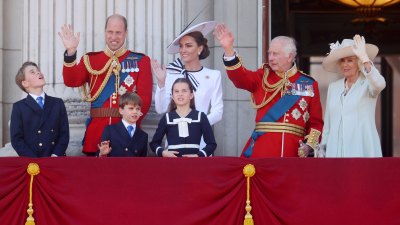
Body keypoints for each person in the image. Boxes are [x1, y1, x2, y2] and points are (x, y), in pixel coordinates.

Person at [214, 24, 323, 158]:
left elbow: (316, 123)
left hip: (293, 152)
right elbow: (240, 78)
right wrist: (229, 50)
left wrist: (308, 146)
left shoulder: (308, 84)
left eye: (275, 54)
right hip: (262, 150)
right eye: (269, 53)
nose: (270, 58)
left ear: (289, 57)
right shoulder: (262, 77)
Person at [58, 14, 153, 156]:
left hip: (127, 136)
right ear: (105, 32)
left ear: (126, 33)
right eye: (110, 32)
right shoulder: (91, 60)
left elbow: (144, 100)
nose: (113, 37)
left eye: (118, 32)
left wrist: (127, 126)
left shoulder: (141, 61)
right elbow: (71, 81)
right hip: (96, 135)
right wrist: (71, 52)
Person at [151, 21, 223, 147]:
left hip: (201, 142)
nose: (183, 50)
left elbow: (218, 112)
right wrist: (161, 83)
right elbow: (160, 109)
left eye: (188, 46)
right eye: (181, 46)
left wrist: (196, 125)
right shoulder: (171, 74)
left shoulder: (213, 76)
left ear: (199, 49)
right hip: (174, 142)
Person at [320, 35, 386, 157]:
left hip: (361, 149)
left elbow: (380, 84)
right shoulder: (333, 87)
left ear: (359, 63)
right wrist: (323, 148)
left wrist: (365, 58)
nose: (345, 65)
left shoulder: (368, 84)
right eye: (342, 61)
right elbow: (328, 124)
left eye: (350, 60)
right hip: (335, 152)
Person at [10, 61, 69, 157]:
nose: (38, 72)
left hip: (56, 160)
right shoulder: (19, 107)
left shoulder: (58, 103)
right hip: (32, 163)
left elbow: (64, 134)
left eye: (38, 70)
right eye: (32, 72)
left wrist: (55, 155)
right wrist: (34, 160)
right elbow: (17, 139)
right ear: (25, 83)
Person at [150, 78, 217, 157]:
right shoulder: (167, 118)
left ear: (191, 95)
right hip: (172, 164)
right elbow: (154, 143)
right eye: (176, 91)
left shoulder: (201, 116)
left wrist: (198, 155)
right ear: (172, 96)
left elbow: (212, 144)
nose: (180, 94)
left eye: (184, 91)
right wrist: (163, 153)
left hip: (194, 165)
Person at [98, 92, 148, 157]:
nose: (135, 112)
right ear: (121, 110)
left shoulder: (143, 136)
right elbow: (101, 159)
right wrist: (102, 154)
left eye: (138, 109)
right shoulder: (110, 130)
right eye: (131, 108)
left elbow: (143, 162)